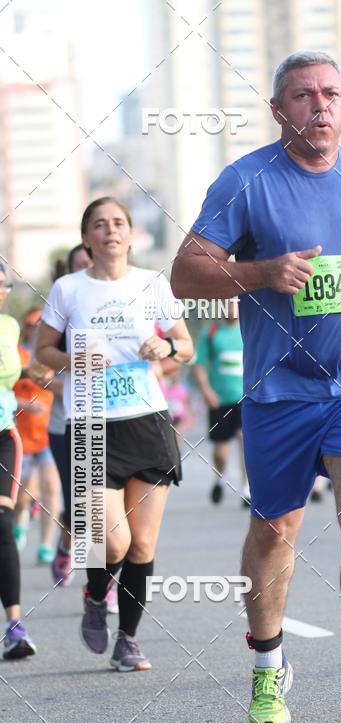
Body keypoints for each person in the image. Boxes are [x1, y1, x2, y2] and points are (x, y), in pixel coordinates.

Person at [172, 50, 341, 723]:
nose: (320, 105)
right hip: (278, 391)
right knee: (275, 529)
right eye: (302, 96)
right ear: (277, 109)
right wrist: (261, 272)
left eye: (331, 93)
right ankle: (267, 668)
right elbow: (186, 272)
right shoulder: (246, 180)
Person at [37, 197, 193, 671]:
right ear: (87, 238)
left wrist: (165, 344)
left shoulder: (152, 283)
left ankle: (128, 639)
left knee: (144, 545)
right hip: (90, 422)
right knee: (115, 542)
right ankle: (93, 593)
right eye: (100, 225)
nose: (110, 231)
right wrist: (72, 361)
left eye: (119, 223)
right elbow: (42, 351)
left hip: (147, 421)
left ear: (131, 234)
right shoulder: (68, 289)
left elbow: (185, 347)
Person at [47, 244, 94, 589]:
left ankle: (100, 587)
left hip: (113, 420)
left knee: (102, 507)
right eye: (80, 265)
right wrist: (73, 375)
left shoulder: (117, 308)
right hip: (66, 424)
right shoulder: (57, 315)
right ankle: (66, 546)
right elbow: (36, 370)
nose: (88, 269)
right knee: (78, 506)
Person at [0, 262, 36, 658]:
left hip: (3, 435)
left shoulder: (9, 327)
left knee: (3, 522)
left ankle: (15, 625)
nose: (0, 292)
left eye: (3, 285)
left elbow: (14, 370)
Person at [13, 309, 61, 563]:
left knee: (52, 488)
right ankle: (19, 521)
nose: (37, 329)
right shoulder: (15, 355)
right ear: (25, 328)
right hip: (21, 438)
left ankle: (45, 545)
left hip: (48, 435)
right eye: (32, 325)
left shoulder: (53, 355)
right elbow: (4, 392)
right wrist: (24, 403)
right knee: (22, 497)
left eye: (42, 325)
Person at [194, 299, 248, 505]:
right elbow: (199, 364)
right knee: (221, 451)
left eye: (235, 303)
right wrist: (206, 391)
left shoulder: (248, 329)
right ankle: (219, 478)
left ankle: (247, 490)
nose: (231, 308)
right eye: (227, 304)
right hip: (219, 400)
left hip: (245, 398)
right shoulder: (212, 332)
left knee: (245, 439)